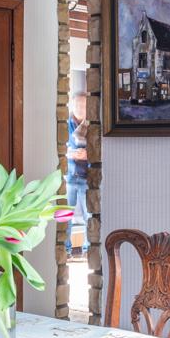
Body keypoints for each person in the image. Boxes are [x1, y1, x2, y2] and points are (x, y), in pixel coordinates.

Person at [65, 92, 89, 256]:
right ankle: (66, 249)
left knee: (89, 216)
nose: (80, 108)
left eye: (83, 105)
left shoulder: (91, 125)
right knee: (66, 216)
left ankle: (88, 249)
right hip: (69, 176)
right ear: (72, 105)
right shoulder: (65, 124)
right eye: (77, 104)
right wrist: (69, 154)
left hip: (87, 177)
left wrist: (88, 154)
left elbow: (98, 148)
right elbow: (60, 148)